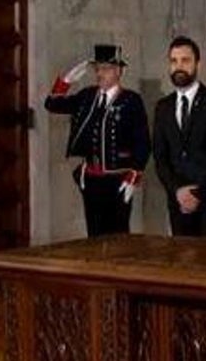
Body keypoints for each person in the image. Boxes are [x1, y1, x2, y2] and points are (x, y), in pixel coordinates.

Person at [44, 44, 150, 237]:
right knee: (94, 235)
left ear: (119, 71)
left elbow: (142, 142)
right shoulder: (87, 96)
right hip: (91, 179)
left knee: (118, 236)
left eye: (106, 69)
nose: (100, 73)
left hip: (118, 179)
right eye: (98, 69)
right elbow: (52, 104)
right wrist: (66, 81)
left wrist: (133, 176)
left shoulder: (131, 100)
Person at [153, 36, 206, 237]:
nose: (179, 66)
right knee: (181, 263)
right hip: (178, 202)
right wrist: (178, 191)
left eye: (185, 60)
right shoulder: (163, 107)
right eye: (174, 61)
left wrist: (196, 194)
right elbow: (160, 158)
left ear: (198, 64)